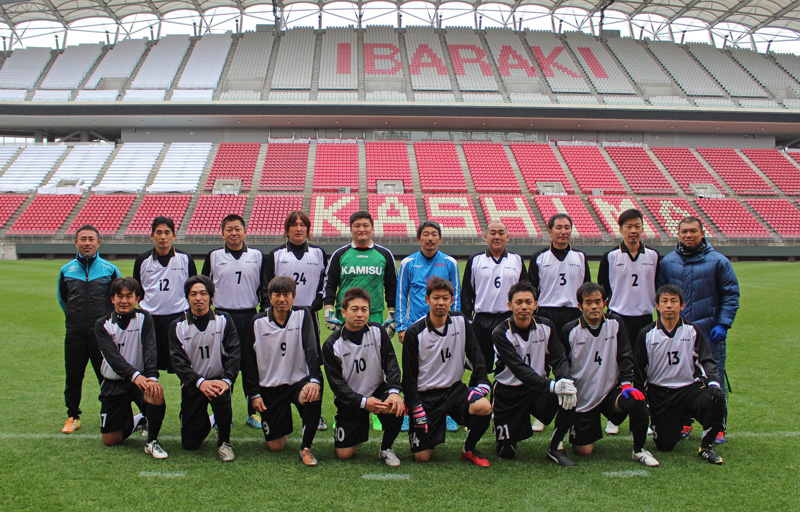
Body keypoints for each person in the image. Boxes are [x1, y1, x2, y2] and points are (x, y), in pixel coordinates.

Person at [657, 216, 739, 444]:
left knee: (713, 378)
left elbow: (731, 294)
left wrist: (723, 323)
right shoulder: (668, 262)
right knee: (680, 377)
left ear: (703, 233)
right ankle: (684, 421)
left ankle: (717, 426)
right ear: (678, 234)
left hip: (709, 332)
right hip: (678, 334)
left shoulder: (719, 261)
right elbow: (661, 295)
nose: (688, 235)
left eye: (693, 231)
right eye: (684, 231)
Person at [561, 282, 658, 467]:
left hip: (610, 393)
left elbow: (625, 356)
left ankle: (639, 450)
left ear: (605, 303)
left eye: (598, 301)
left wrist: (627, 384)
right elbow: (563, 364)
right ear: (580, 306)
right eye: (588, 302)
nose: (594, 306)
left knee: (637, 401)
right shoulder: (569, 331)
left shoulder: (616, 323)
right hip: (583, 397)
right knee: (583, 451)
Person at [402, 277, 493, 466]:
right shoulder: (414, 332)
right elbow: (409, 376)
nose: (441, 302)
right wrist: (415, 406)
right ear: (427, 300)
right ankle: (431, 427)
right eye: (436, 298)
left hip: (454, 391)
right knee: (422, 457)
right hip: (426, 397)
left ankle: (469, 448)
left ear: (452, 300)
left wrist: (483, 382)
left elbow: (476, 354)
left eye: (445, 298)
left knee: (484, 406)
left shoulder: (461, 322)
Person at [633, 284, 726, 465]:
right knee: (665, 445)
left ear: (682, 305)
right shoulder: (646, 334)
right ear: (657, 306)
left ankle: (706, 447)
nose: (669, 305)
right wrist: (643, 399)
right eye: (664, 301)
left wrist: (714, 382)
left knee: (716, 397)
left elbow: (706, 359)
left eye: (674, 301)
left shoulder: (692, 331)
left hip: (689, 389)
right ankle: (668, 423)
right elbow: (639, 370)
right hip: (661, 394)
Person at [323, 210, 398, 431]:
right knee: (345, 366)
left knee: (377, 365)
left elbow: (391, 285)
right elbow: (330, 283)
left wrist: (392, 314)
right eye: (357, 226)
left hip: (373, 316)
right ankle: (344, 408)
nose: (361, 229)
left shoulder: (384, 254)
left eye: (365, 225)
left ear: (372, 229)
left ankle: (377, 411)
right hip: (345, 318)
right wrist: (328, 310)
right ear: (351, 229)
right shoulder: (340, 254)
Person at [491, 281, 577, 466]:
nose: (524, 306)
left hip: (537, 390)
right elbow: (519, 369)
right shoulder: (501, 332)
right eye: (519, 302)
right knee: (506, 453)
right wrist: (553, 385)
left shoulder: (546, 326)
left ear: (535, 305)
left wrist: (566, 381)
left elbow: (559, 358)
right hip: (509, 393)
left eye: (528, 302)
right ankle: (499, 422)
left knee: (569, 394)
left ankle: (555, 447)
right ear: (510, 305)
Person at [242, 276, 323, 466]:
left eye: (286, 294)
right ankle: (282, 426)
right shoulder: (257, 322)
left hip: (297, 382)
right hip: (270, 387)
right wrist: (254, 394)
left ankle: (306, 447)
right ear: (269, 297)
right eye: (276, 295)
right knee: (275, 446)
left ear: (294, 296)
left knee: (312, 394)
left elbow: (311, 350)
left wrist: (314, 380)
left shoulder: (303, 315)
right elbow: (249, 362)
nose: (281, 299)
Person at [322, 287, 405, 467]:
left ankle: (386, 448)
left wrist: (393, 392)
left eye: (364, 309)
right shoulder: (332, 345)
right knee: (343, 454)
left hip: (377, 389)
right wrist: (363, 403)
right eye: (354, 309)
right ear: (343, 312)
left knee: (395, 405)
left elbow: (391, 363)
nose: (360, 314)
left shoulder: (378, 331)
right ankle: (355, 426)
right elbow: (337, 385)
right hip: (351, 398)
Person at [262, 210, 329, 431]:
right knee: (282, 359)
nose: (298, 228)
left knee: (312, 361)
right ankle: (276, 406)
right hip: (282, 318)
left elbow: (325, 284)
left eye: (302, 225)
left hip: (309, 316)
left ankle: (314, 413)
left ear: (308, 229)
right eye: (294, 225)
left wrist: (316, 304)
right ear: (287, 229)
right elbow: (266, 287)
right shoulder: (275, 255)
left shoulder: (318, 253)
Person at [597, 208, 659, 436]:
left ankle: (642, 416)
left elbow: (659, 287)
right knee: (617, 368)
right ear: (621, 229)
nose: (633, 231)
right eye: (628, 227)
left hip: (644, 319)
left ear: (643, 228)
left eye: (637, 226)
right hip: (618, 319)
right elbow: (602, 288)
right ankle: (614, 417)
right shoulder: (611, 256)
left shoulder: (653, 256)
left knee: (643, 369)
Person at [202, 213, 265, 429]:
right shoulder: (214, 256)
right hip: (222, 317)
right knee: (223, 366)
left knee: (251, 366)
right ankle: (222, 413)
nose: (234, 233)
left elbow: (264, 287)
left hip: (249, 316)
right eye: (229, 229)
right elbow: (204, 286)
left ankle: (252, 413)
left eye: (237, 229)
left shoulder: (257, 255)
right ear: (222, 234)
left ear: (245, 232)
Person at [58, 224, 122, 434]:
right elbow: (63, 299)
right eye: (83, 239)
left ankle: (112, 413)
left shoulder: (110, 269)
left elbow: (118, 299)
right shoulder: (66, 270)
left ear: (98, 242)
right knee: (73, 377)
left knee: (107, 377)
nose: (87, 243)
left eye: (91, 239)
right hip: (74, 334)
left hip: (101, 335)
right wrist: (74, 317)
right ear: (76, 242)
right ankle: (73, 416)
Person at [169, 275, 240, 462]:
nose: (198, 298)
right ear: (187, 297)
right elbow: (179, 363)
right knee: (190, 443)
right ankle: (210, 419)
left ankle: (224, 442)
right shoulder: (178, 326)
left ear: (211, 296)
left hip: (218, 381)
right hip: (194, 383)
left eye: (203, 293)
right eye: (193, 294)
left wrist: (227, 381)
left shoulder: (224, 320)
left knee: (221, 395)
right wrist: (199, 382)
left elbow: (234, 353)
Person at [95, 277, 167, 459]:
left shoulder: (144, 318)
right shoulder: (102, 324)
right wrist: (135, 376)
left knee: (155, 392)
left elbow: (150, 349)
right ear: (112, 299)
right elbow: (113, 358)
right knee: (110, 440)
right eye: (119, 296)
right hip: (114, 382)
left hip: (140, 381)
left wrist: (152, 377)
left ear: (137, 299)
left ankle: (152, 441)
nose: (124, 301)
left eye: (129, 296)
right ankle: (139, 420)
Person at [461, 221, 528, 377]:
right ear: (485, 237)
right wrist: (467, 319)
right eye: (493, 233)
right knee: (479, 365)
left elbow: (524, 290)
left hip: (508, 319)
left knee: (508, 364)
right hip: (481, 320)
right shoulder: (475, 260)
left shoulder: (516, 260)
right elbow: (467, 292)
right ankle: (479, 390)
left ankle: (504, 391)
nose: (497, 236)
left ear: (507, 237)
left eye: (501, 233)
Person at [133, 216, 197, 374]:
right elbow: (137, 290)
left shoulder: (185, 259)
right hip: (151, 320)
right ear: (152, 235)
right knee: (149, 365)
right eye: (159, 232)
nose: (163, 237)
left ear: (173, 235)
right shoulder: (142, 260)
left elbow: (193, 289)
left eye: (167, 233)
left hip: (179, 318)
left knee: (184, 366)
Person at [396, 220, 460, 343]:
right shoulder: (407, 263)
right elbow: (401, 296)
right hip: (414, 324)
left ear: (440, 238)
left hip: (443, 325)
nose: (430, 238)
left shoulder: (450, 263)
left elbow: (456, 296)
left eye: (434, 234)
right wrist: (402, 327)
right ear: (418, 238)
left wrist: (455, 324)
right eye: (426, 234)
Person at [529, 214, 590, 333]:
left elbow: (586, 287)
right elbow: (532, 288)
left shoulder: (580, 256)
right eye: (559, 227)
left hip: (574, 312)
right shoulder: (539, 257)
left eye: (567, 228)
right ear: (550, 231)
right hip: (546, 311)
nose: (563, 232)